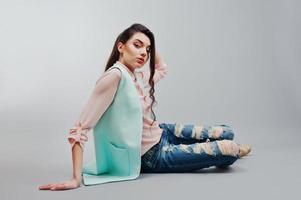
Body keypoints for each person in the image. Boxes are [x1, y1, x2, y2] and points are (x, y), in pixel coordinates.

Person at [39, 23, 251, 191]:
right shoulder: (113, 77)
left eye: (147, 49)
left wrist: (148, 37)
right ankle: (227, 150)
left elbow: (162, 67)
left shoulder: (137, 75)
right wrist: (76, 179)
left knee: (227, 131)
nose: (144, 53)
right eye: (137, 45)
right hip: (150, 154)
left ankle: (220, 143)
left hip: (162, 132)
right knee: (228, 150)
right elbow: (79, 129)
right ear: (120, 47)